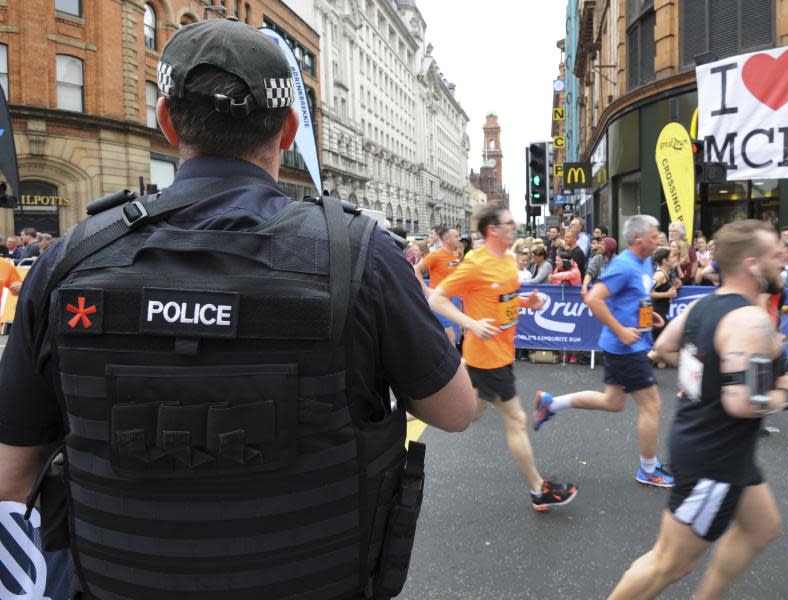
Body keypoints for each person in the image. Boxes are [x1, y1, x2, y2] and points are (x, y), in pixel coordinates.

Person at [0, 18, 476, 600]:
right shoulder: (361, 256)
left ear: (168, 121)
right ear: (287, 129)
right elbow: (454, 410)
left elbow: (10, 478)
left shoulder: (70, 260)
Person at [607, 220, 788, 600]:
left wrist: (710, 366)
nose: (782, 260)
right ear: (750, 264)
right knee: (670, 563)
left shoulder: (704, 304)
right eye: (773, 255)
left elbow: (664, 344)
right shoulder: (749, 319)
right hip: (714, 459)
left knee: (761, 527)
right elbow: (742, 402)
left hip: (716, 447)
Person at [428, 203, 578, 511]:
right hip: (488, 358)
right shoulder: (475, 263)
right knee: (517, 420)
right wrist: (470, 324)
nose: (514, 227)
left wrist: (528, 301)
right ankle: (539, 490)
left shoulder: (509, 261)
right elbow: (438, 299)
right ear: (492, 230)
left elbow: (503, 301)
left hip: (499, 353)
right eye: (508, 223)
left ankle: (411, 407)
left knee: (471, 413)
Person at [533, 215, 675, 489]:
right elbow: (594, 299)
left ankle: (552, 403)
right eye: (655, 234)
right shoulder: (623, 264)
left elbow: (636, 297)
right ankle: (648, 469)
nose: (660, 238)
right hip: (625, 347)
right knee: (652, 405)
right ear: (637, 239)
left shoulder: (646, 261)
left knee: (613, 401)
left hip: (630, 341)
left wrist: (647, 319)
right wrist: (622, 330)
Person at [413, 225, 463, 343]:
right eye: (456, 236)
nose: (459, 239)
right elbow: (416, 270)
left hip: (454, 300)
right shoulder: (435, 255)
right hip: (440, 301)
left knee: (454, 338)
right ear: (447, 239)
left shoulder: (455, 255)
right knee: (450, 338)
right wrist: (425, 289)